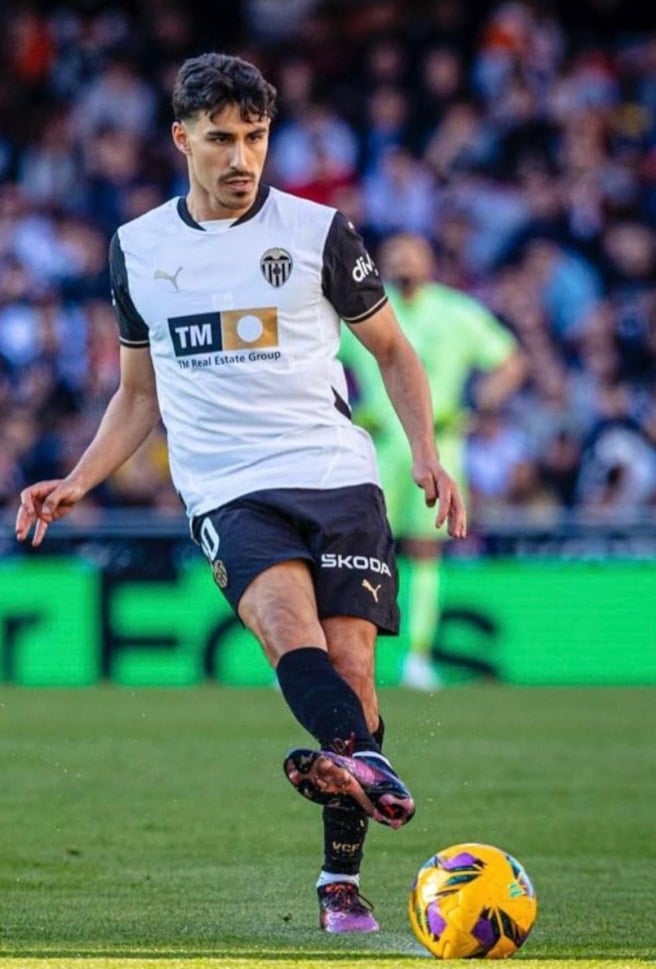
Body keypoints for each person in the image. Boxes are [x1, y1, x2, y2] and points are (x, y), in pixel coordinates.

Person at [14, 53, 466, 934]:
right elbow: (137, 395)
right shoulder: (139, 249)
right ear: (181, 138)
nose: (240, 158)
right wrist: (79, 478)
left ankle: (340, 872)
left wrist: (424, 453)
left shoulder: (319, 232)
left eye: (255, 137)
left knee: (355, 675)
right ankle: (365, 773)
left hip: (336, 472)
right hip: (228, 486)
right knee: (289, 633)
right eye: (220, 139)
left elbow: (392, 351)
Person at [340, 233, 525, 690]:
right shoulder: (363, 308)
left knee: (425, 551)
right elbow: (314, 357)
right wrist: (342, 408)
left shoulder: (457, 312)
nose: (404, 261)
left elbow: (510, 361)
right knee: (356, 552)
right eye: (395, 254)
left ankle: (417, 658)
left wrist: (479, 404)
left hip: (438, 447)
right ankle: (343, 659)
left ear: (430, 262)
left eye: (413, 254)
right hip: (376, 447)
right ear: (378, 263)